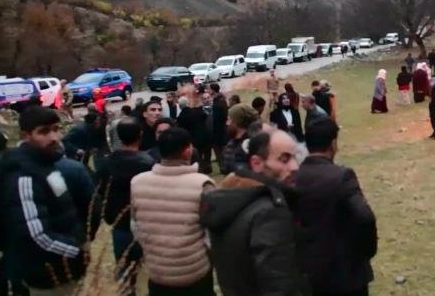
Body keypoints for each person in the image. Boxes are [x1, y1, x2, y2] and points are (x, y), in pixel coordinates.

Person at [0, 107, 89, 294]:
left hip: (64, 268)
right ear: (25, 136)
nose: (54, 137)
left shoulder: (45, 164)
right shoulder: (24, 176)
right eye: (44, 132)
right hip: (46, 274)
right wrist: (78, 251)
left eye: (56, 128)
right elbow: (37, 235)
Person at [200, 129, 306, 296]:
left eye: (295, 157)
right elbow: (280, 285)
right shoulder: (270, 213)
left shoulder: (233, 200)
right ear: (257, 163)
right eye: (284, 159)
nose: (294, 167)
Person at [296, 118, 377, 296]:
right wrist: (367, 251)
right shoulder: (342, 176)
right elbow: (365, 216)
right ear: (333, 143)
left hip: (310, 273)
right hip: (346, 273)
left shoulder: (294, 177)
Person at [131, 127, 216, 295]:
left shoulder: (138, 182)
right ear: (187, 151)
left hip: (157, 273)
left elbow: (136, 228)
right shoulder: (202, 184)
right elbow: (212, 235)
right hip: (194, 274)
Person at [94, 117, 155, 296]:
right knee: (149, 271)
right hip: (145, 224)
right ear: (140, 135)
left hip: (119, 224)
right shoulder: (148, 163)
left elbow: (99, 192)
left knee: (125, 271)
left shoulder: (107, 164)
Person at [176, 95, 212, 174]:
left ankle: (201, 169)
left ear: (180, 106)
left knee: (198, 155)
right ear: (188, 103)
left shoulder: (180, 117)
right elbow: (205, 117)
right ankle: (208, 167)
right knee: (207, 153)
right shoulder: (197, 111)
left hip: (193, 139)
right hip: (204, 136)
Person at [221, 104, 259, 175]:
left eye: (229, 120)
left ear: (237, 122)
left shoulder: (252, 146)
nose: (227, 123)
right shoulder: (231, 144)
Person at [210, 83, 229, 170]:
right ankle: (224, 166)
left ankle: (223, 167)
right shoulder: (221, 99)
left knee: (219, 149)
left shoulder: (218, 102)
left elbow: (217, 118)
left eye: (209, 89)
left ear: (213, 90)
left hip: (219, 129)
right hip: (221, 128)